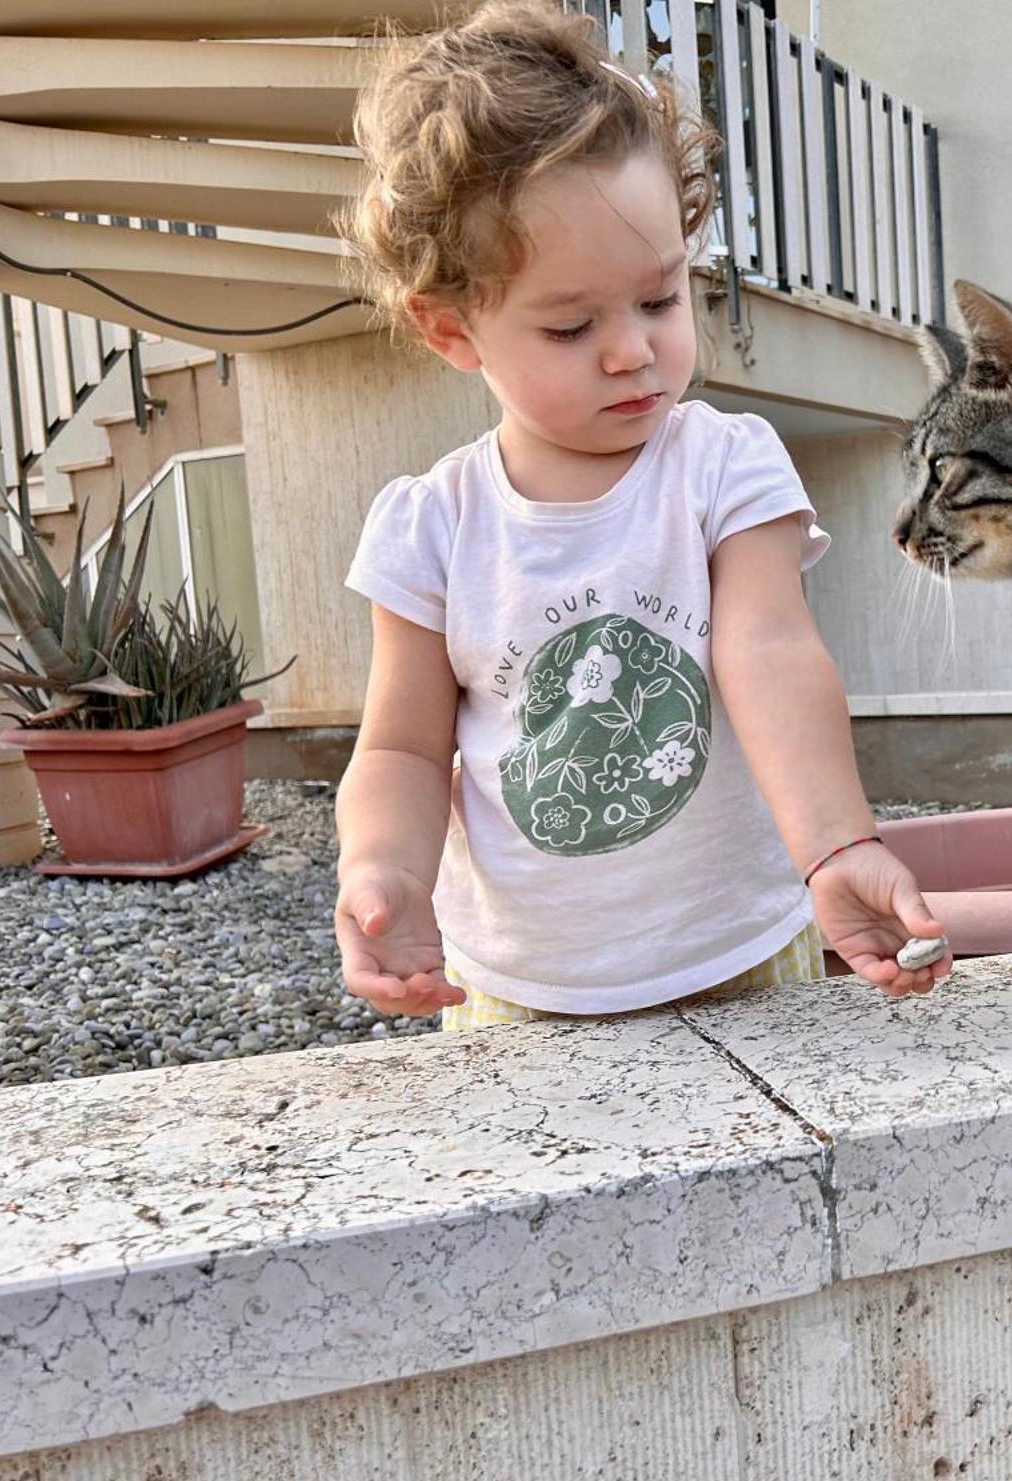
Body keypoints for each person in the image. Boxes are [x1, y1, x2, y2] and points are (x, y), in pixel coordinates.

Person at [330, 2, 949, 1029]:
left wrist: (836, 844)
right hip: (516, 991)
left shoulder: (719, 466)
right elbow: (399, 748)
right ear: (451, 332)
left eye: (661, 300)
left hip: (740, 952)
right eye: (572, 325)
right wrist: (381, 872)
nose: (632, 351)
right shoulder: (430, 529)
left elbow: (767, 651)